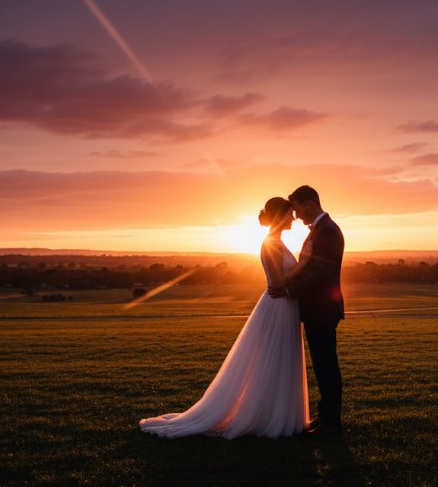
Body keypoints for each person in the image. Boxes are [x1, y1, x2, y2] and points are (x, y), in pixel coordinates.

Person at [139, 197, 310, 439]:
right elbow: (275, 282)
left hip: (286, 306)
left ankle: (277, 413)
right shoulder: (270, 243)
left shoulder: (278, 242)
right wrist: (303, 263)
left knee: (282, 359)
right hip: (277, 306)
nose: (293, 219)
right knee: (273, 358)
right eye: (290, 214)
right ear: (280, 216)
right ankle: (267, 417)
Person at [269, 185, 345, 435]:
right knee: (322, 365)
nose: (298, 217)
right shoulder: (321, 231)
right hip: (316, 309)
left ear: (309, 204)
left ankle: (331, 423)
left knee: (326, 366)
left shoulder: (328, 232)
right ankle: (325, 418)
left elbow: (320, 273)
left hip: (322, 309)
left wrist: (290, 291)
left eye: (298, 210)